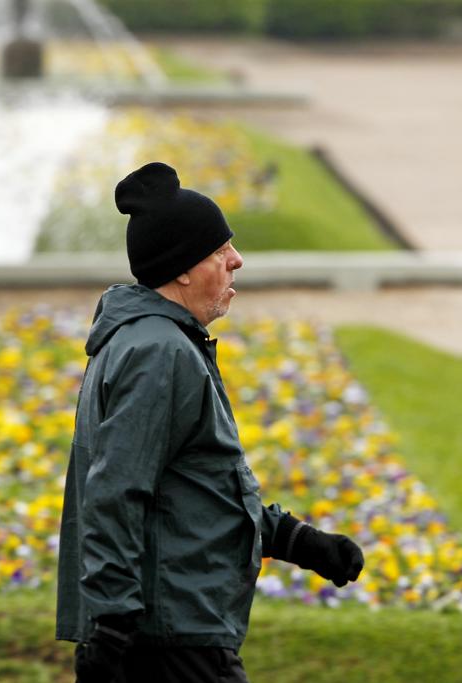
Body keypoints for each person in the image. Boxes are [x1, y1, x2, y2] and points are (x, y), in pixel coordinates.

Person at [56, 162, 365, 683]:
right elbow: (116, 490)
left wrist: (300, 542)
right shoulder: (158, 351)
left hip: (171, 629)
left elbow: (200, 487)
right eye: (220, 252)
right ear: (182, 269)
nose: (237, 261)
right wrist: (111, 624)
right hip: (169, 638)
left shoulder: (153, 341)